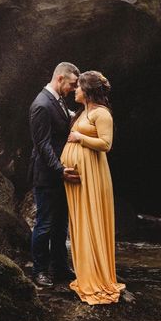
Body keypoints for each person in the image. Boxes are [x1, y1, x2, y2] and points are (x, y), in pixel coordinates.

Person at [61, 70, 125, 304]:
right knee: (80, 221)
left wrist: (80, 138)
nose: (74, 90)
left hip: (94, 175)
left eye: (78, 87)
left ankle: (97, 276)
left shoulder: (101, 114)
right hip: (79, 176)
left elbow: (106, 144)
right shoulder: (82, 112)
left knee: (91, 220)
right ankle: (85, 272)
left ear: (87, 91)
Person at [29, 62, 81, 288]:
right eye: (71, 84)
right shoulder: (41, 104)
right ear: (60, 79)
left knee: (61, 225)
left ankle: (60, 267)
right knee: (45, 224)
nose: (72, 89)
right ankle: (40, 270)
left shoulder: (58, 101)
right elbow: (43, 145)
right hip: (47, 175)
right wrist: (60, 171)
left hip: (60, 176)